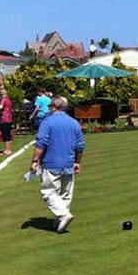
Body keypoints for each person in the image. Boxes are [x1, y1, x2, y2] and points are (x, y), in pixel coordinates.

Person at [29, 96, 85, 233]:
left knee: (49, 192)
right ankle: (59, 220)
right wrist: (77, 162)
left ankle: (63, 215)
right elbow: (80, 145)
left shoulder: (47, 122)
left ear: (53, 106)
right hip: (68, 163)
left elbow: (41, 143)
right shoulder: (73, 123)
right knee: (65, 194)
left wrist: (35, 161)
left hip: (51, 163)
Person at [0, 87, 14, 155]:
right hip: (9, 118)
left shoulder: (3, 100)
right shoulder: (9, 100)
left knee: (5, 135)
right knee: (8, 134)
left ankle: (7, 150)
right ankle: (8, 149)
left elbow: (0, 107)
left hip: (4, 119)